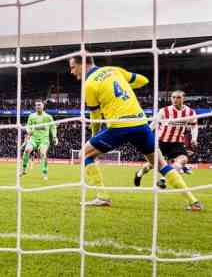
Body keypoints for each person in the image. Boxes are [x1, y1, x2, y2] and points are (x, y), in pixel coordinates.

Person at [69, 55, 202, 211]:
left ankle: (102, 196)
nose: (71, 71)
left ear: (83, 64)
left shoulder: (89, 84)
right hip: (141, 124)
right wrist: (124, 87)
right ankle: (193, 202)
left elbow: (95, 116)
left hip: (119, 126)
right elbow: (143, 80)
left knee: (84, 154)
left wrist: (93, 136)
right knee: (160, 165)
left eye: (72, 67)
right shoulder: (114, 70)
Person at [135, 90, 198, 183]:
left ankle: (163, 180)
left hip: (177, 143)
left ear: (183, 98)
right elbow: (153, 124)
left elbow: (194, 126)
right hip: (162, 142)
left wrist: (194, 138)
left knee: (183, 159)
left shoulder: (190, 112)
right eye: (173, 97)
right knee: (151, 165)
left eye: (178, 97)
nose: (175, 100)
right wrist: (143, 136)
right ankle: (139, 173)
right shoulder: (164, 111)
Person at [21, 100, 58, 180]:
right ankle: (24, 170)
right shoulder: (31, 116)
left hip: (44, 140)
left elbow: (53, 127)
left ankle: (45, 173)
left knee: (43, 153)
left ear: (43, 106)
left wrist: (54, 137)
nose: (38, 106)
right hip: (34, 139)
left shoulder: (48, 117)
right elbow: (28, 126)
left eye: (39, 105)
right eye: (36, 105)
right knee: (27, 150)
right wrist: (28, 131)